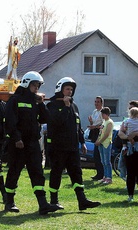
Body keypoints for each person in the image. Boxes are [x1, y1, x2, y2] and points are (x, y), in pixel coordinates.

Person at [4, 71, 58, 215]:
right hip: (18, 144)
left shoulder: (36, 102)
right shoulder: (14, 100)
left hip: (33, 143)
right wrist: (16, 138)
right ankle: (9, 202)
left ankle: (43, 204)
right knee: (14, 172)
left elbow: (45, 119)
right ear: (27, 83)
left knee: (37, 173)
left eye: (38, 86)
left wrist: (41, 105)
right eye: (35, 85)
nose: (37, 88)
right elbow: (9, 122)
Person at [46, 77, 101, 211]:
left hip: (72, 147)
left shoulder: (74, 105)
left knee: (77, 173)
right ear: (60, 89)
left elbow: (78, 126)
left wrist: (82, 142)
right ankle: (54, 201)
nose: (70, 92)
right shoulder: (52, 105)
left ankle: (82, 201)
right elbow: (57, 122)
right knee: (56, 173)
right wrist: (65, 107)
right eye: (67, 89)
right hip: (58, 147)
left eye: (71, 89)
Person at [118, 106, 138, 202]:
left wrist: (128, 136)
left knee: (130, 173)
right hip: (135, 147)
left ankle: (130, 195)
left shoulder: (127, 121)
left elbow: (121, 132)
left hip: (129, 148)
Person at [95, 107, 114, 185]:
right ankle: (105, 176)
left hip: (106, 143)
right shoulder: (104, 122)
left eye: (103, 114)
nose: (102, 115)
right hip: (101, 143)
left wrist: (100, 141)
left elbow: (107, 134)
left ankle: (109, 177)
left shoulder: (109, 122)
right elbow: (101, 132)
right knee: (103, 161)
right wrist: (97, 140)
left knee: (107, 161)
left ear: (107, 114)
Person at [88, 96, 104, 180]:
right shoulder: (95, 111)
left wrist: (94, 127)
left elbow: (103, 125)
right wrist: (91, 122)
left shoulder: (102, 112)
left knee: (99, 155)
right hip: (94, 132)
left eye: (98, 102)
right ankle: (98, 173)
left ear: (101, 103)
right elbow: (94, 123)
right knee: (96, 155)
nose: (96, 103)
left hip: (100, 133)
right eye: (95, 102)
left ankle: (101, 174)